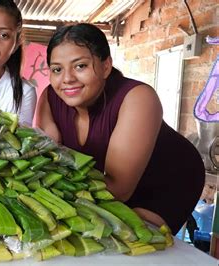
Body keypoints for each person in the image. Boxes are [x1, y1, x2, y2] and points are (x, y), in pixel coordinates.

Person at [36, 23, 205, 234]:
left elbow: (119, 189)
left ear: (106, 66)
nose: (67, 78)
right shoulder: (50, 97)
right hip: (100, 185)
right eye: (57, 69)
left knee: (138, 242)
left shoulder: (138, 97)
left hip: (165, 180)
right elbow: (45, 159)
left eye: (80, 66)